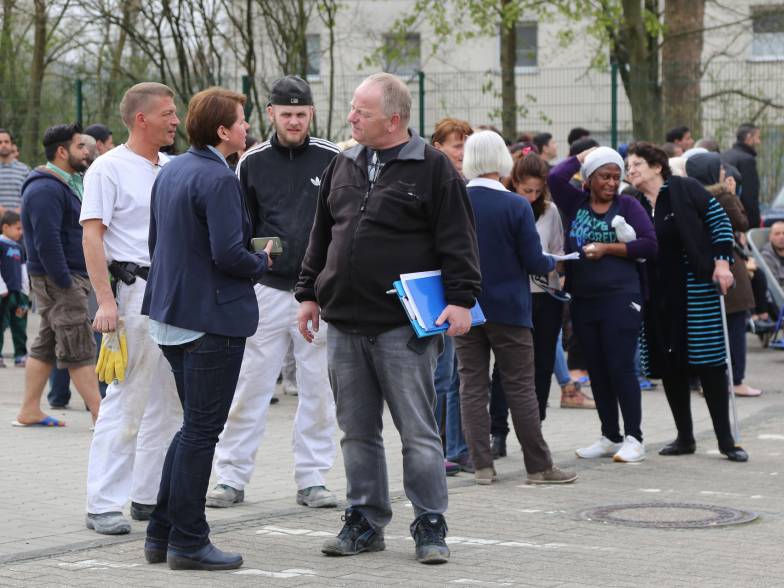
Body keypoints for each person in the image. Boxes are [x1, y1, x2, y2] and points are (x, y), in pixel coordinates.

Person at [295, 72, 481, 564]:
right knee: (356, 431)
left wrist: (461, 299)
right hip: (344, 322)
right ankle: (365, 519)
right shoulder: (344, 163)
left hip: (403, 327)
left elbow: (458, 239)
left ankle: (430, 522)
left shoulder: (433, 168)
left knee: (418, 432)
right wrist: (308, 293)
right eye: (353, 109)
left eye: (362, 112)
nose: (351, 117)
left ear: (394, 120)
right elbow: (322, 233)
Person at [142, 87, 272, 572]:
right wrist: (263, 261)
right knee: (201, 431)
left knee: (191, 427)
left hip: (172, 315)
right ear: (222, 130)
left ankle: (161, 534)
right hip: (209, 321)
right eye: (241, 120)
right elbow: (229, 255)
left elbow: (159, 243)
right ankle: (189, 541)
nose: (247, 127)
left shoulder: (172, 169)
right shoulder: (218, 178)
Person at [206, 75, 340, 510]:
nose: (294, 121)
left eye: (301, 114)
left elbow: (344, 223)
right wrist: (256, 266)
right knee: (250, 385)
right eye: (286, 114)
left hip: (317, 295)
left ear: (312, 113)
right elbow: (241, 225)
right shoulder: (251, 161)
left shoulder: (333, 158)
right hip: (265, 290)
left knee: (318, 389)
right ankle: (230, 476)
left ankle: (312, 478)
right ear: (271, 114)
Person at [82, 83, 183, 535]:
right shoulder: (108, 169)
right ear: (142, 119)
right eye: (168, 113)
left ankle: (148, 496)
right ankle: (103, 502)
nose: (176, 121)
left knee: (170, 400)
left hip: (176, 293)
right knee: (126, 399)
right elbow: (92, 236)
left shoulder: (174, 167)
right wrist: (106, 301)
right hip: (134, 294)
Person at [455, 130, 577, 487]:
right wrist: (551, 261)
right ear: (502, 159)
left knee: (472, 386)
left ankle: (481, 466)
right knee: (521, 387)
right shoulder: (516, 205)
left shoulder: (455, 201)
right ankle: (538, 467)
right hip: (510, 307)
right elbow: (534, 260)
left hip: (464, 306)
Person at [625, 142, 748, 462]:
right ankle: (685, 437)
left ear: (657, 166)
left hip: (694, 287)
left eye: (637, 164)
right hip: (657, 292)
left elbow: (720, 223)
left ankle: (726, 440)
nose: (631, 170)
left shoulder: (684, 189)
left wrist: (722, 264)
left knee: (708, 362)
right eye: (628, 166)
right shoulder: (634, 202)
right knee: (670, 363)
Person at [549, 146, 657, 463]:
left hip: (621, 297)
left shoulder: (628, 205)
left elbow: (649, 245)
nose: (611, 183)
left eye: (615, 176)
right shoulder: (576, 203)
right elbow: (554, 177)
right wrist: (580, 157)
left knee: (620, 366)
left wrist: (608, 248)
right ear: (588, 178)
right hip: (584, 299)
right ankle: (610, 435)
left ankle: (634, 437)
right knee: (596, 368)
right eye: (604, 176)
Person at [14, 124, 101, 427]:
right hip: (61, 280)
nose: (86, 151)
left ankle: (29, 410)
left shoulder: (63, 184)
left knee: (47, 344)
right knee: (78, 344)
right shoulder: (45, 189)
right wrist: (65, 282)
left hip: (62, 278)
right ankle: (101, 415)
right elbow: (46, 242)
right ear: (62, 152)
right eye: (80, 146)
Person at [505, 152, 594, 413]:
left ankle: (538, 417)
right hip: (515, 293)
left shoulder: (549, 210)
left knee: (543, 361)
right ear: (514, 182)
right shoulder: (505, 206)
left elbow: (556, 249)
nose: (532, 197)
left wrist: (553, 263)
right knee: (510, 363)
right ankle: (500, 425)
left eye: (537, 191)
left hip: (546, 292)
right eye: (527, 190)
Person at [686, 152, 760, 398]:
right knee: (734, 326)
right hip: (725, 265)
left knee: (706, 330)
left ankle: (701, 379)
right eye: (719, 168)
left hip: (699, 267)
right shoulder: (721, 196)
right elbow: (742, 223)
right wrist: (732, 194)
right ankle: (735, 380)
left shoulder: (686, 197)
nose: (723, 172)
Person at [430, 116, 474, 474]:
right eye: (457, 145)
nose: (463, 152)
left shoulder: (471, 184)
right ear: (438, 147)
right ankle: (434, 448)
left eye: (467, 146)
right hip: (434, 292)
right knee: (440, 376)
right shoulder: (433, 183)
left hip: (461, 292)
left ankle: (457, 446)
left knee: (458, 376)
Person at [0, 210, 29, 368]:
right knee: (1, 324)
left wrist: (25, 289)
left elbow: (23, 269)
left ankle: (20, 355)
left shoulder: (19, 247)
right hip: (3, 293)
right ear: (5, 227)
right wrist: (2, 287)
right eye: (18, 228)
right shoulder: (1, 244)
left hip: (18, 293)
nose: (21, 232)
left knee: (20, 325)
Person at [722, 123, 761, 228]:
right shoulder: (747, 160)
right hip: (741, 219)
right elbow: (750, 196)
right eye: (757, 137)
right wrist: (754, 224)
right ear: (749, 137)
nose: (759, 142)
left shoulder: (725, 155)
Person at [0, 129, 30, 212]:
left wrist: (18, 212)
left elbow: (29, 195)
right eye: (0, 142)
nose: (3, 145)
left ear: (12, 144)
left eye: (6, 142)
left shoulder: (24, 170)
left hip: (19, 218)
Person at [762, 221, 784, 287]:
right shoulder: (766, 257)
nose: (782, 237)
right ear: (770, 237)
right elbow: (775, 287)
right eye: (777, 234)